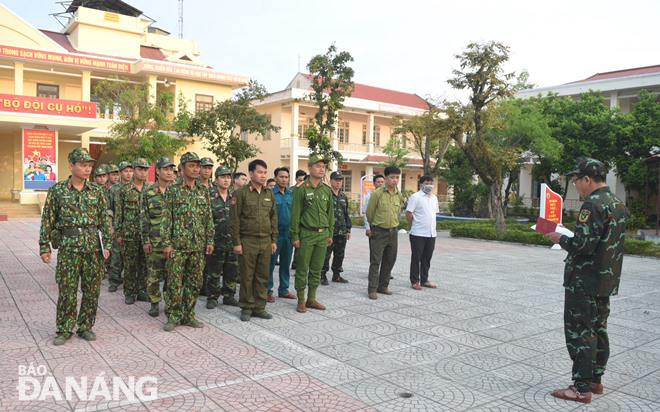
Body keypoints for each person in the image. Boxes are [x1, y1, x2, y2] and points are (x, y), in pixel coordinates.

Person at [545, 158, 627, 404]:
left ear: (587, 179)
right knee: (599, 330)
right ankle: (595, 380)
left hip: (584, 282)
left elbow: (583, 245)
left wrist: (559, 238)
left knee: (580, 333)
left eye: (576, 180)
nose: (576, 184)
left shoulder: (592, 205)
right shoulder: (617, 203)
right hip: (605, 281)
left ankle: (580, 388)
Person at [39, 148, 111, 345]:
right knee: (67, 290)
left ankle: (85, 326)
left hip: (92, 249)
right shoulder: (58, 190)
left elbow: (104, 221)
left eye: (89, 165)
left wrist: (107, 245)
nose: (87, 169)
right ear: (71, 165)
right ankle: (64, 329)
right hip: (69, 248)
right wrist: (44, 247)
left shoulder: (96, 191)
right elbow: (47, 220)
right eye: (83, 165)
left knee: (91, 290)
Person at [161, 152, 214, 332]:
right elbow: (167, 218)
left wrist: (209, 239)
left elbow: (208, 217)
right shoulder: (173, 189)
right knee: (174, 282)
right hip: (177, 246)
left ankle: (188, 315)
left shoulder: (203, 190)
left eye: (197, 166)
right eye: (191, 165)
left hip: (197, 245)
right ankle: (173, 316)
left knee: (194, 282)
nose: (195, 169)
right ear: (182, 168)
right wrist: (166, 243)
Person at [230, 159, 278, 322]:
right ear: (251, 173)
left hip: (265, 241)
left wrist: (273, 240)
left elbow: (273, 218)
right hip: (247, 240)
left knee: (263, 275)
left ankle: (259, 307)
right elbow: (234, 220)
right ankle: (247, 307)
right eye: (259, 172)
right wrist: (236, 242)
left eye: (265, 172)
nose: (263, 175)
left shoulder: (269, 194)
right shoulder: (240, 193)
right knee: (247, 275)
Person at [290, 155, 334, 313]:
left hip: (322, 235)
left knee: (317, 269)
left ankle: (312, 298)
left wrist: (330, 233)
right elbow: (295, 215)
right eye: (318, 166)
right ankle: (301, 299)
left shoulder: (326, 189)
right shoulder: (301, 189)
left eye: (323, 166)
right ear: (309, 169)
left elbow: (330, 214)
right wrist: (295, 236)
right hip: (306, 234)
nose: (321, 169)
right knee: (302, 268)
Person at [140, 157, 175, 317]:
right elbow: (144, 217)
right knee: (153, 275)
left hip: (173, 242)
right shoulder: (148, 192)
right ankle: (154, 302)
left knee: (172, 275)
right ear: (158, 171)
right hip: (154, 242)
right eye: (166, 169)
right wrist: (145, 240)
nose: (169, 172)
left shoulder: (176, 191)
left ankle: (170, 302)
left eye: (171, 169)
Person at [116, 158, 150, 305]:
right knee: (130, 265)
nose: (143, 172)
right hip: (129, 234)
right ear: (134, 170)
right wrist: (118, 233)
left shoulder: (150, 189)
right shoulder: (124, 190)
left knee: (144, 265)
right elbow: (119, 213)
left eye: (145, 170)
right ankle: (129, 292)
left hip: (146, 235)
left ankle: (142, 291)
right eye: (140, 169)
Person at [365, 166, 402, 300]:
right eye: (392, 177)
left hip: (393, 232)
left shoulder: (399, 194)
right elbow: (369, 213)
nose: (395, 180)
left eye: (397, 177)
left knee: (390, 260)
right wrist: (375, 227)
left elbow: (398, 213)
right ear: (385, 178)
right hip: (379, 232)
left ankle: (383, 286)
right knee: (375, 261)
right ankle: (372, 289)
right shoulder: (377, 194)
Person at [206, 166, 239, 309]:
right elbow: (206, 220)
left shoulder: (234, 197)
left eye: (228, 177)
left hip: (232, 241)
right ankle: (212, 297)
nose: (226, 180)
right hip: (215, 241)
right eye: (223, 177)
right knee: (213, 271)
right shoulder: (209, 196)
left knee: (231, 270)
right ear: (216, 179)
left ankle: (229, 296)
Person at [268, 167, 297, 302]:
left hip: (288, 235)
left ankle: (283, 290)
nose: (284, 179)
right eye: (281, 177)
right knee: (270, 264)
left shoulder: (291, 194)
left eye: (286, 177)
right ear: (275, 178)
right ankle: (267, 290)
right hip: (274, 235)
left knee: (286, 263)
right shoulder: (269, 194)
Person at [406, 175, 439, 290]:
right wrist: (413, 225)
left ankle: (425, 279)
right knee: (416, 258)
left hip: (431, 234)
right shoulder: (415, 197)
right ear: (421, 185)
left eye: (431, 182)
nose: (429, 185)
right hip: (418, 233)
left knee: (427, 258)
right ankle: (415, 281)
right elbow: (409, 213)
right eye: (427, 182)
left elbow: (433, 214)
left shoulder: (434, 198)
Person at [321, 171, 352, 285]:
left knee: (340, 253)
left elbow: (346, 213)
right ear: (331, 181)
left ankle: (337, 274)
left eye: (340, 180)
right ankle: (322, 275)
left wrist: (348, 229)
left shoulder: (343, 196)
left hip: (341, 231)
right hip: (329, 231)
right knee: (326, 254)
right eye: (336, 180)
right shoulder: (326, 194)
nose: (339, 182)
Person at [107, 161, 133, 292]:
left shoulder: (137, 188)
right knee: (116, 255)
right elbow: (109, 210)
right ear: (121, 173)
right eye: (125, 171)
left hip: (132, 227)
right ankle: (114, 280)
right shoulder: (113, 190)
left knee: (132, 257)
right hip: (118, 227)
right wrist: (111, 227)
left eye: (130, 171)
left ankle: (131, 283)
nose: (128, 174)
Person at [198, 156, 215, 296]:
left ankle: (208, 287)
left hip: (211, 230)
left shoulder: (214, 187)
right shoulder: (194, 186)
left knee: (210, 261)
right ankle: (198, 286)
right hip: (197, 231)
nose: (207, 170)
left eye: (210, 168)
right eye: (205, 167)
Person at [290, 169, 307, 271]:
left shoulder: (305, 190)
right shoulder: (291, 190)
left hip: (301, 222)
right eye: (299, 180)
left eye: (303, 180)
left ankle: (296, 263)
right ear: (296, 179)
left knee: (299, 244)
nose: (301, 182)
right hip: (290, 220)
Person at [364, 174, 385, 238]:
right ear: (374, 183)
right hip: (375, 227)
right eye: (378, 182)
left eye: (382, 182)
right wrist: (368, 228)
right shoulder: (370, 196)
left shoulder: (387, 195)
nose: (380, 184)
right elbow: (366, 212)